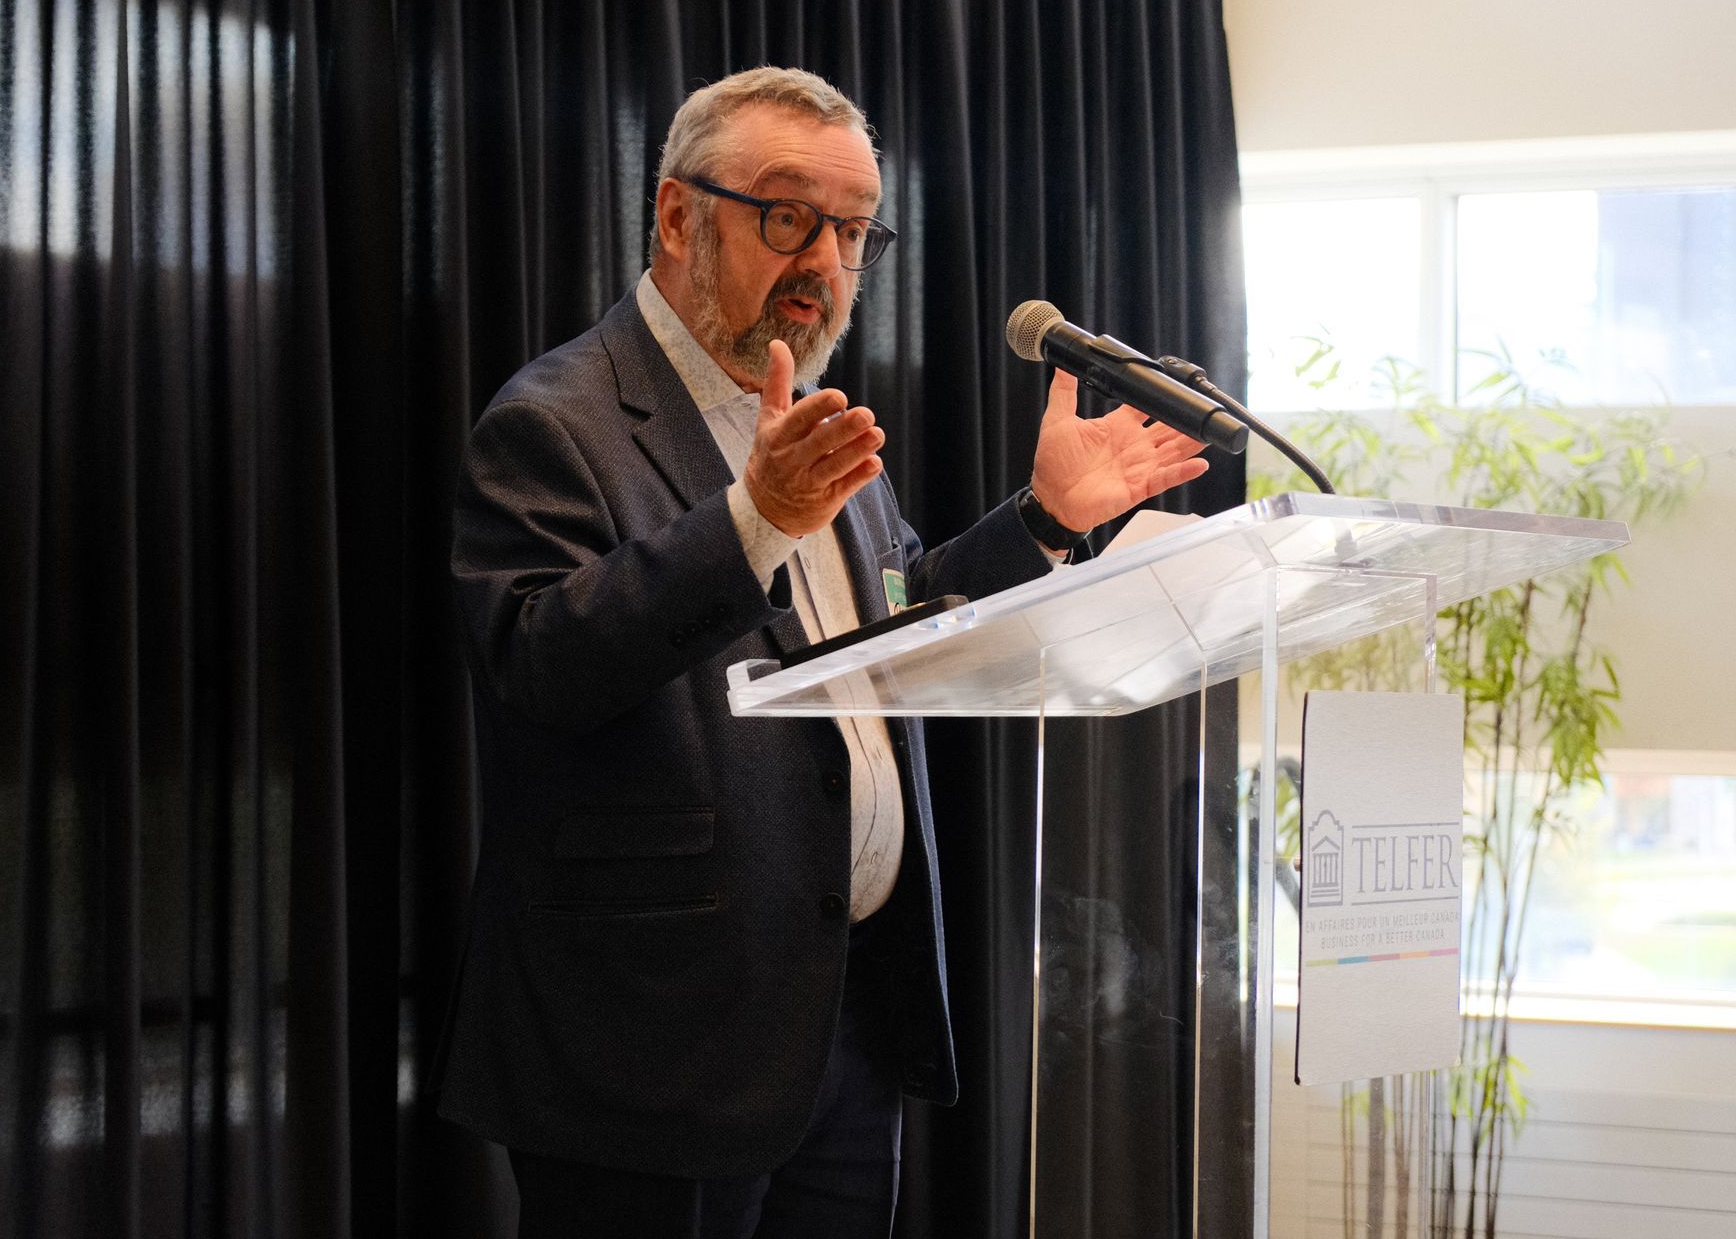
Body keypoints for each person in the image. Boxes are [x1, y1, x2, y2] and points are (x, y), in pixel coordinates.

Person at [436, 66, 1208, 1238]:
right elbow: (543, 662)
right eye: (789, 216)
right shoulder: (558, 422)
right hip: (655, 1047)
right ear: (678, 214)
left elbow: (898, 629)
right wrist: (753, 520)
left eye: (853, 230)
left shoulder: (818, 428)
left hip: (844, 1022)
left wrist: (1044, 520)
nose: (824, 263)